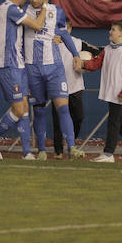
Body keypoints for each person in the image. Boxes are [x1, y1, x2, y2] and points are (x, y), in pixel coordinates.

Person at [0, 0, 47, 160]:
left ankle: (27, 152)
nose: (28, 0)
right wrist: (45, 6)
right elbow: (37, 25)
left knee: (25, 107)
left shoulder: (13, 8)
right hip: (6, 63)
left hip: (17, 63)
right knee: (19, 109)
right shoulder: (9, 8)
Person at [23, 0, 85, 160]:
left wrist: (75, 55)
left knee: (63, 108)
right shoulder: (22, 12)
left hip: (54, 68)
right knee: (39, 110)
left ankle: (71, 148)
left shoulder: (56, 11)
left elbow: (64, 33)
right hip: (32, 68)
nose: (34, 0)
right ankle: (42, 150)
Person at [79, 21, 122, 163]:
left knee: (113, 122)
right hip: (113, 93)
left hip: (121, 95)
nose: (110, 32)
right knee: (119, 123)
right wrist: (83, 64)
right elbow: (97, 63)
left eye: (113, 30)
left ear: (121, 34)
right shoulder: (108, 49)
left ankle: (108, 154)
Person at [51, 25, 97, 157]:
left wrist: (85, 64)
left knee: (78, 117)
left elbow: (97, 52)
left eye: (65, 28)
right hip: (57, 86)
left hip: (75, 86)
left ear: (70, 29)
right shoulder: (51, 42)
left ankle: (71, 140)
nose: (61, 31)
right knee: (58, 119)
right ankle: (58, 151)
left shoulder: (78, 43)